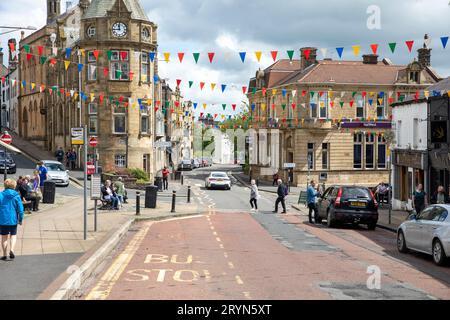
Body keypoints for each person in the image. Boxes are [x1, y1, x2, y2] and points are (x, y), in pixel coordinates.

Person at [0, 179, 24, 261]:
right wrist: (20, 219)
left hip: (3, 219)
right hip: (13, 219)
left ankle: (4, 254)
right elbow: (21, 209)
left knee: (4, 237)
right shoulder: (16, 196)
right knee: (13, 235)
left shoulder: (1, 195)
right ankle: (12, 250)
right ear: (14, 186)